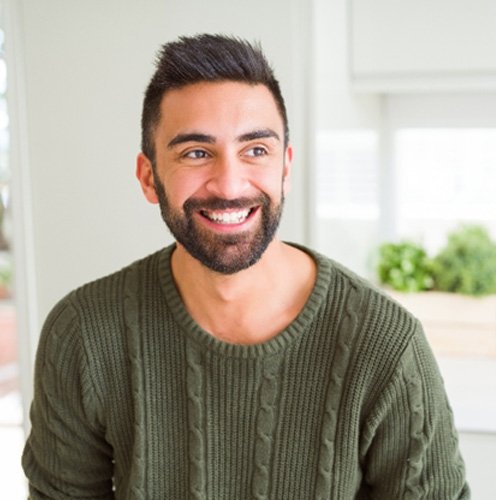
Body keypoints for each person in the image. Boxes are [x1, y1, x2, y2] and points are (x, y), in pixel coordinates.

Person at [22, 34, 469, 499]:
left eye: (256, 149)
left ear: (285, 168)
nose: (230, 183)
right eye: (196, 152)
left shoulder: (386, 346)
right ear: (149, 176)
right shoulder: (84, 333)